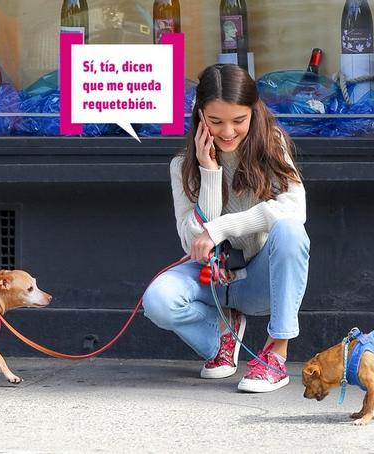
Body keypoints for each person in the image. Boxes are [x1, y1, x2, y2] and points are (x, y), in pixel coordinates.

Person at [142, 64, 310, 393]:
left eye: (239, 120)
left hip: (258, 280)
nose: (228, 132)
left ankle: (276, 354)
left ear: (253, 112)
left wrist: (221, 227)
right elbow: (191, 240)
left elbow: (295, 208)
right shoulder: (181, 165)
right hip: (210, 280)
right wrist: (209, 173)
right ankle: (221, 336)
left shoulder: (271, 145)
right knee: (157, 300)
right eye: (216, 122)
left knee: (290, 232)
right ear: (199, 115)